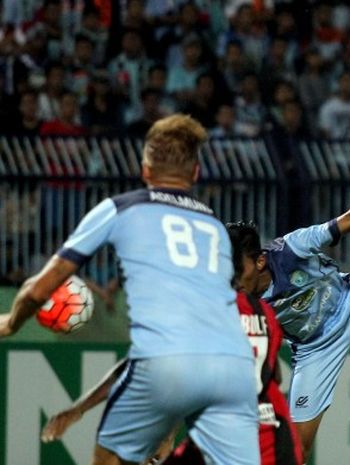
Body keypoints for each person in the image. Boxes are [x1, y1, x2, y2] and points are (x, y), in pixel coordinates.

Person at [0, 114, 259, 465]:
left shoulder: (121, 208)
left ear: (145, 170)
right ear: (196, 173)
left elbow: (38, 289)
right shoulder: (213, 225)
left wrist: (11, 323)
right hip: (235, 367)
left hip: (163, 364)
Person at [41, 226, 304, 465]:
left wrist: (79, 409)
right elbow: (272, 379)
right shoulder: (265, 315)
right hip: (275, 441)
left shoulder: (200, 313)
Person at [227, 185, 350, 461]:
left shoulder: (291, 248)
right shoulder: (236, 300)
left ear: (261, 261)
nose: (234, 279)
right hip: (314, 348)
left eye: (239, 270)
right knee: (297, 448)